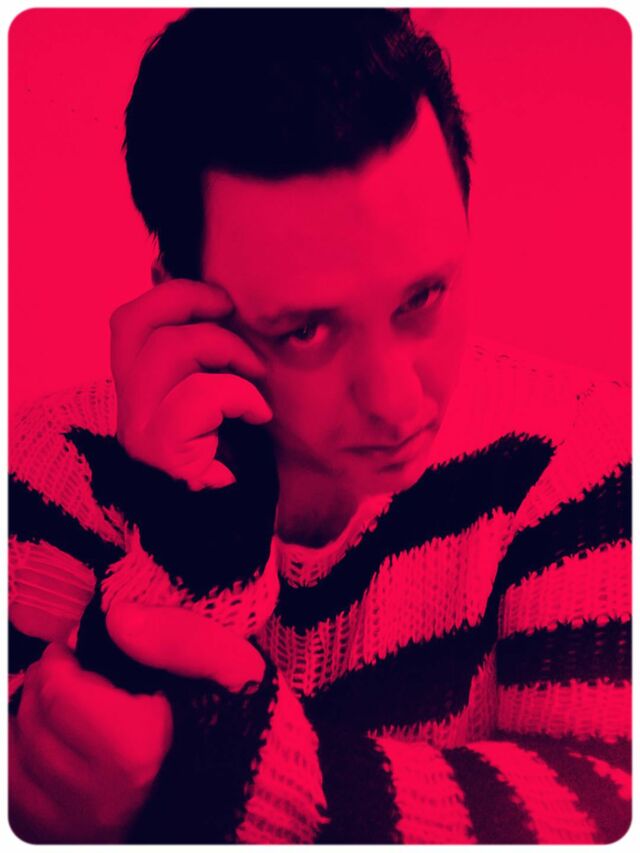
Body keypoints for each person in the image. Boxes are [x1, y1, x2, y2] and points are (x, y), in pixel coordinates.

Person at [8, 7, 631, 844]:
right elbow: (40, 797)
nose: (397, 401)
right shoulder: (66, 463)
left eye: (424, 296)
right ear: (181, 303)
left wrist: (220, 770)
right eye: (305, 329)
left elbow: (600, 809)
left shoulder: (574, 451)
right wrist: (192, 530)